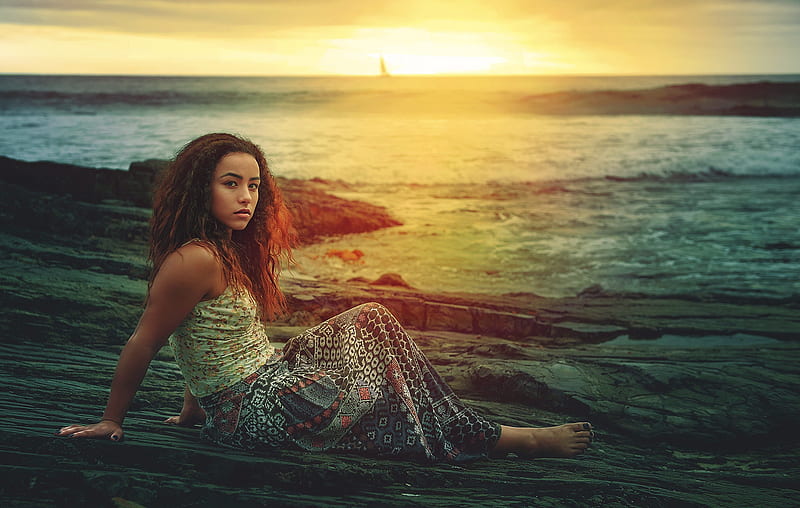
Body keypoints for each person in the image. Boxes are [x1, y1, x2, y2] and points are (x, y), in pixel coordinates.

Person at [56, 133, 593, 462]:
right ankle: (507, 440)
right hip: (249, 408)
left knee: (375, 320)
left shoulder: (226, 251)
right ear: (200, 188)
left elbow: (203, 339)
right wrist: (112, 420)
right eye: (230, 183)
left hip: (266, 376)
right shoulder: (194, 259)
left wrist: (192, 409)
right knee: (379, 390)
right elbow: (148, 340)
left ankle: (474, 430)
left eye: (254, 185)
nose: (247, 196)